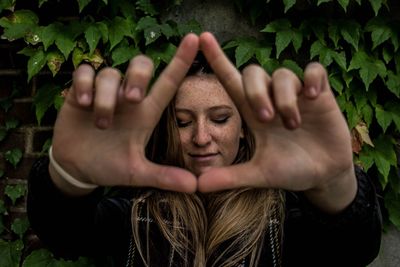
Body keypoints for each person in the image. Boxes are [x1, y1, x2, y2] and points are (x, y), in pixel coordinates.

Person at [27, 32, 382, 267]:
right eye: (183, 121)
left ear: (244, 128)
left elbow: (353, 248)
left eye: (220, 118)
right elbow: (64, 232)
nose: (200, 137)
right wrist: (70, 176)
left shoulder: (284, 219)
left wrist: (333, 185)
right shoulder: (134, 217)